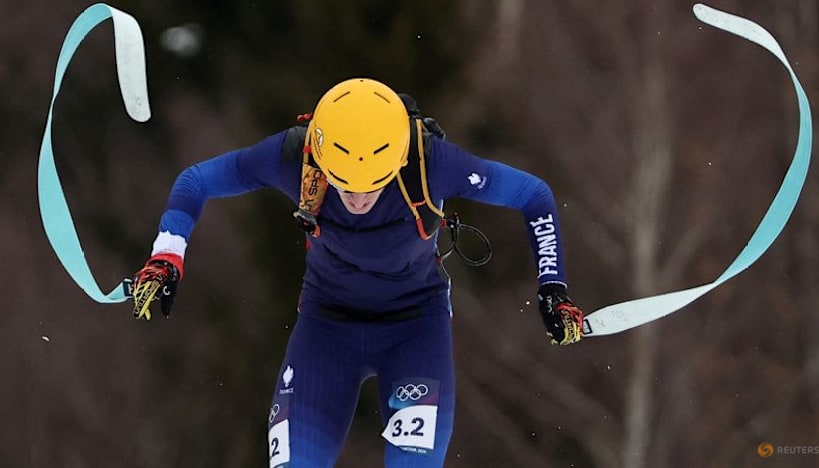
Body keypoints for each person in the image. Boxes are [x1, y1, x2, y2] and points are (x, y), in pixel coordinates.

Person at [130, 78, 585, 467]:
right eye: (344, 183)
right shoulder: (296, 155)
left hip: (415, 331)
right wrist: (167, 258)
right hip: (325, 330)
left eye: (374, 185)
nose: (358, 198)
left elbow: (533, 195)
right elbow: (196, 181)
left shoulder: (431, 161)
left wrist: (553, 288)